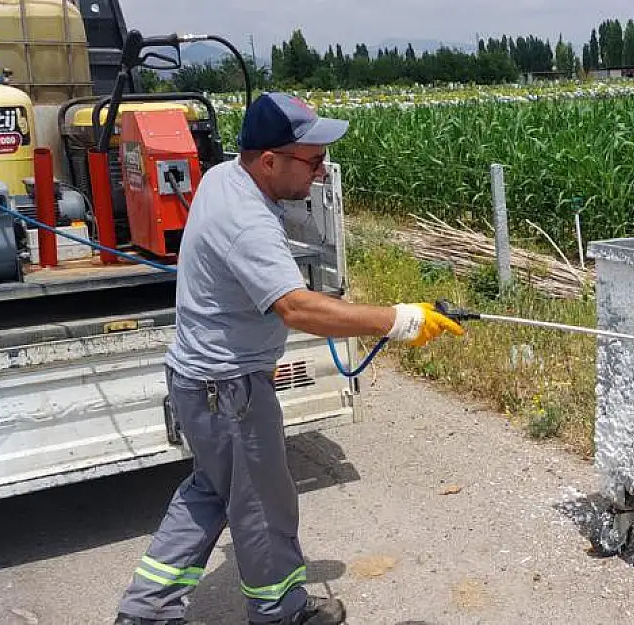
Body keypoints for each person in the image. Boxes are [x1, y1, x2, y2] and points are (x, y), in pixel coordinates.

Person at [114, 93, 464, 625]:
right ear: (270, 161)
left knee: (211, 490)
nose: (321, 173)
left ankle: (146, 611)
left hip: (199, 380)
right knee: (261, 506)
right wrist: (398, 320)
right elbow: (297, 307)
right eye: (313, 161)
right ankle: (281, 612)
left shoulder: (222, 178)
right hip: (228, 390)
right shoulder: (247, 221)